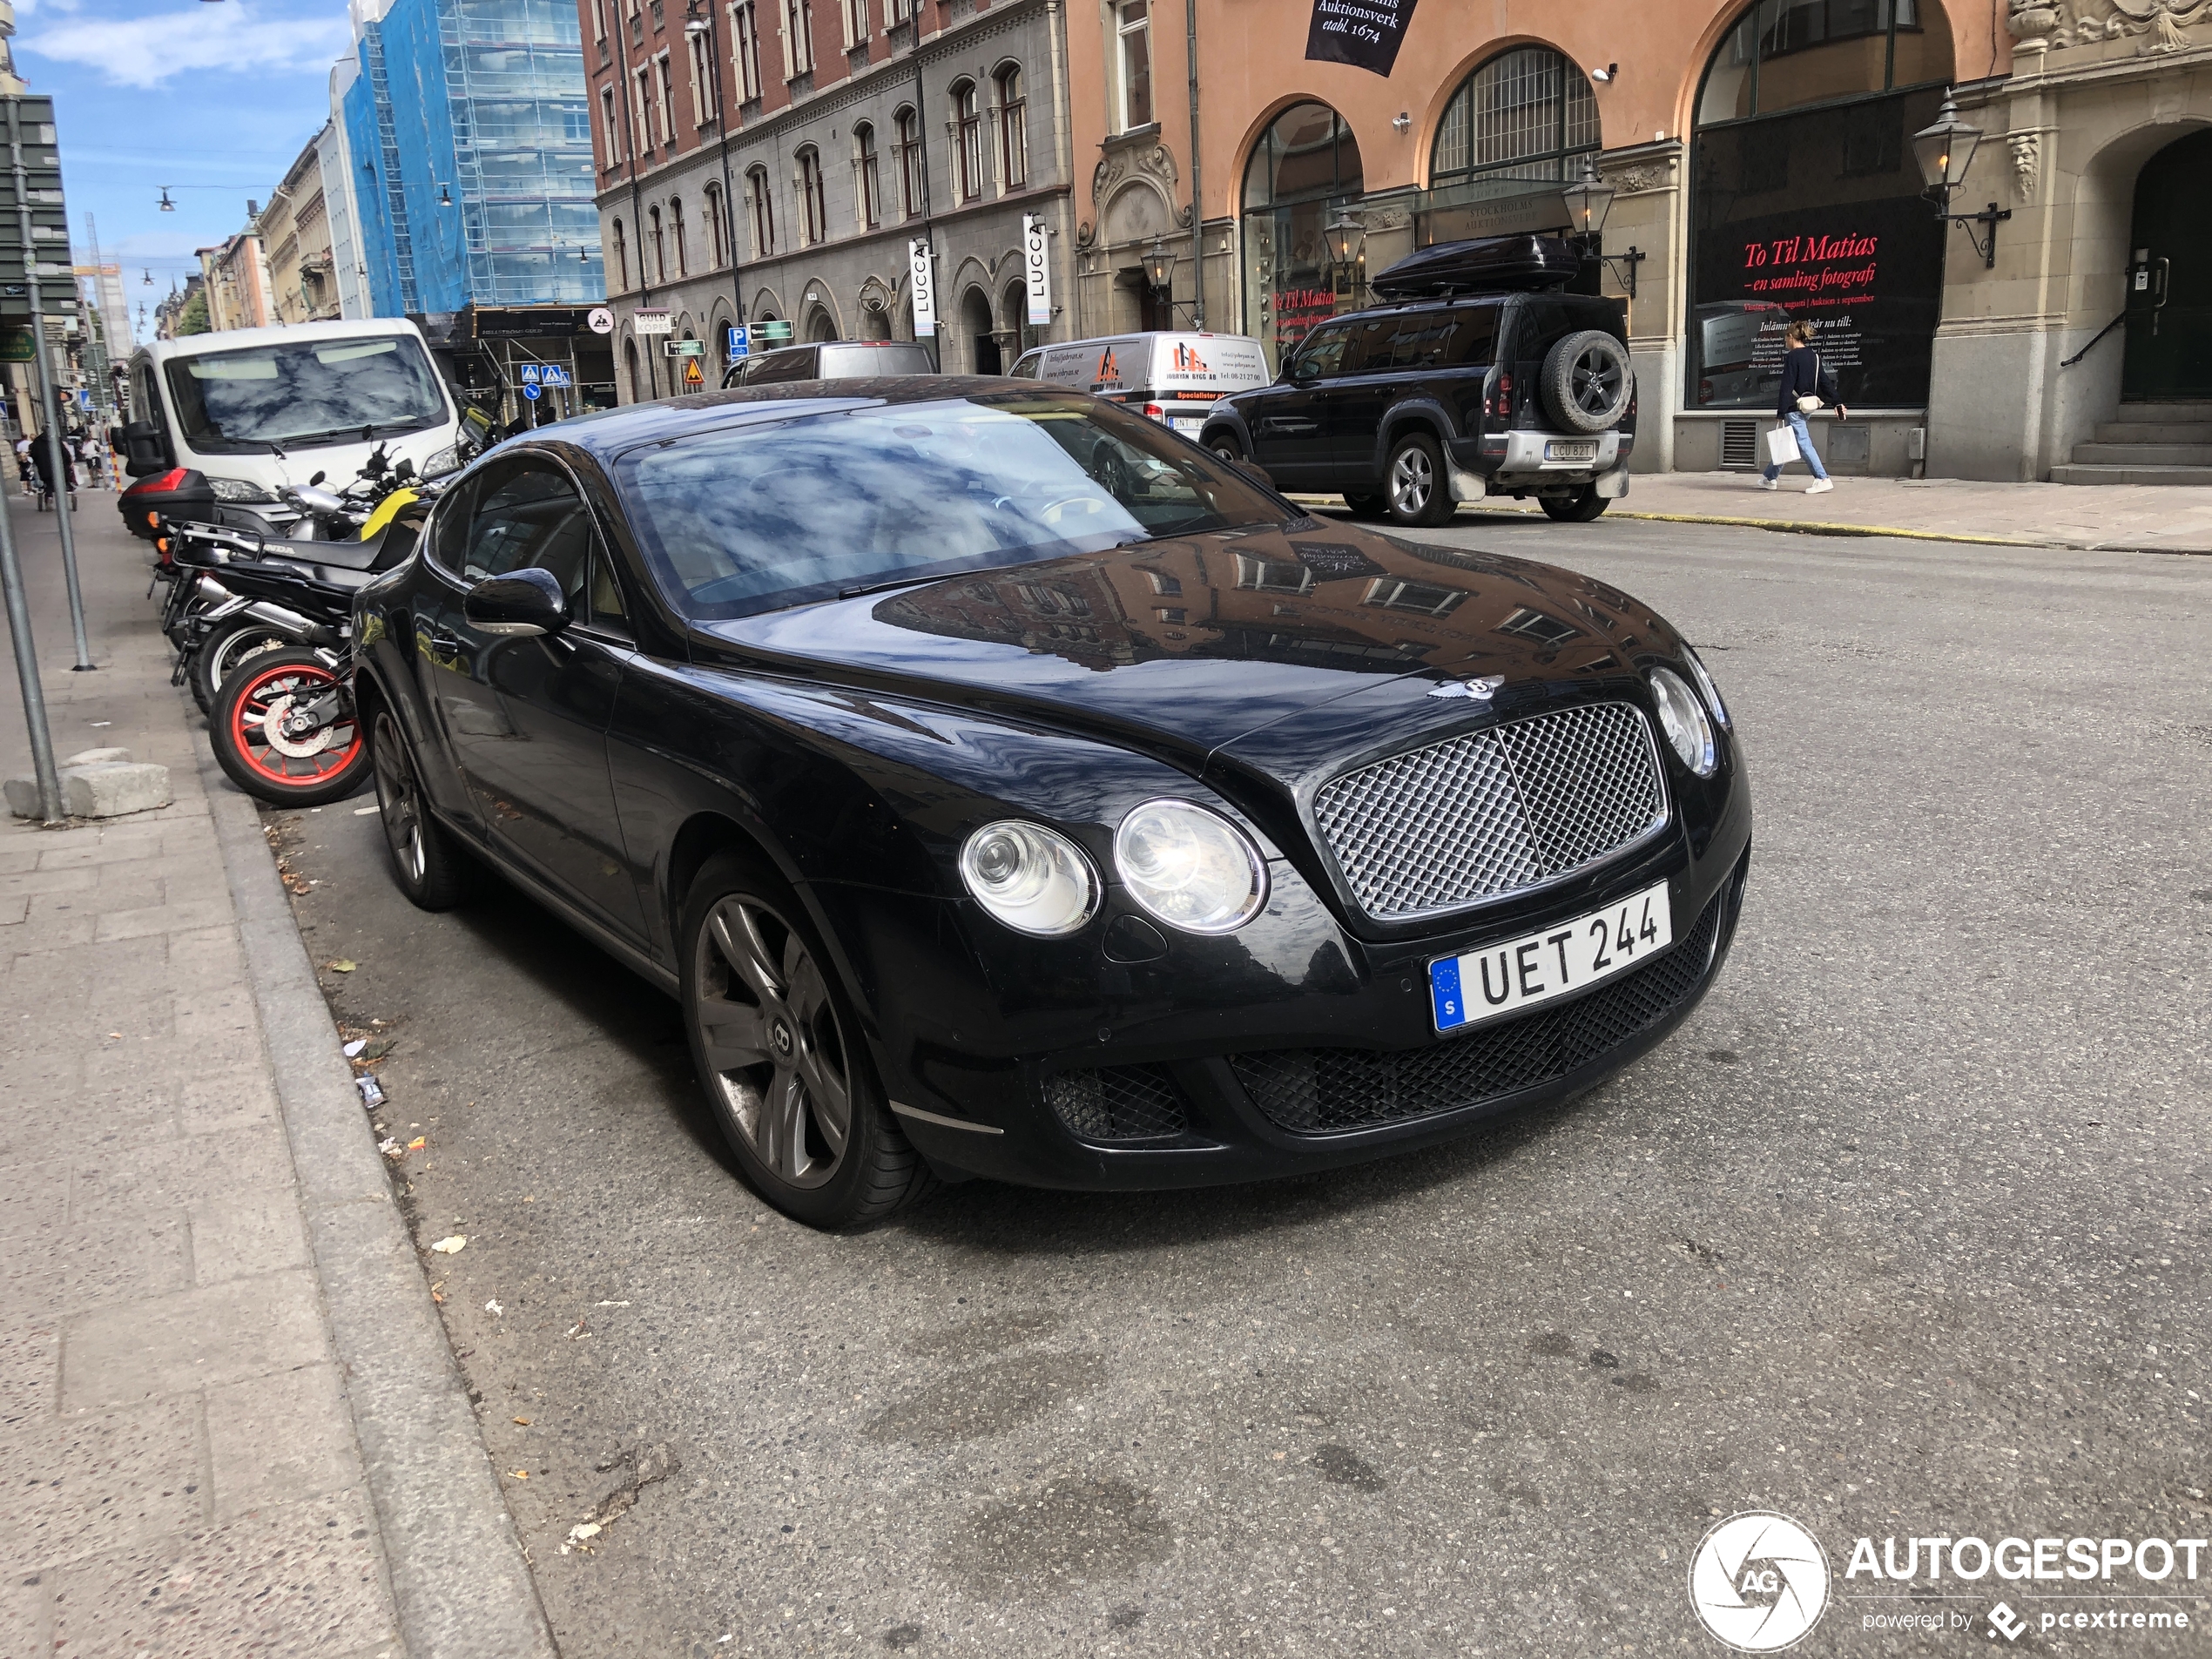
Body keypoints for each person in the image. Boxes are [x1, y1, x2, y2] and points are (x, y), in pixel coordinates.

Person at [1761, 320, 1847, 496]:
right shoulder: (1814, 356)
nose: (1785, 343)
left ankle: (1822, 478)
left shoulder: (1793, 357)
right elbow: (1824, 382)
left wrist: (1780, 411)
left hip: (1793, 406)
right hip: (1808, 406)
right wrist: (1837, 402)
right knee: (1787, 441)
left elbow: (1787, 385)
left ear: (1791, 337)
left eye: (1786, 338)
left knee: (1803, 443)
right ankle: (1770, 478)